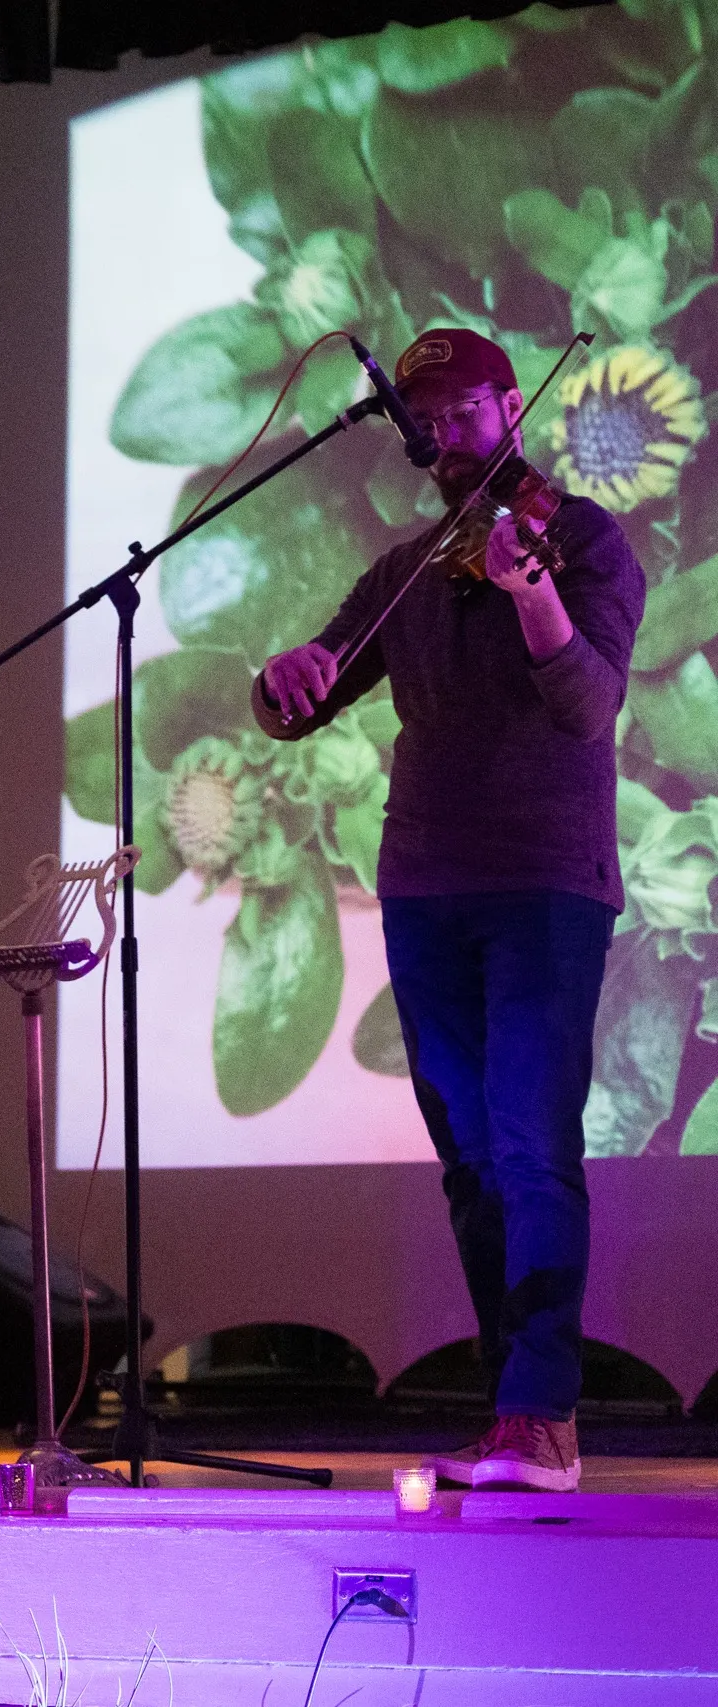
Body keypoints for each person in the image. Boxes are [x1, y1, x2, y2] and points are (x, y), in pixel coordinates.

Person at [258, 328, 643, 1493]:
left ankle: (543, 1417)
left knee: (530, 1149)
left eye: (462, 409)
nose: (441, 431)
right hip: (424, 885)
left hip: (541, 883)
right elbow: (304, 697)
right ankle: (507, 1409)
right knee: (470, 1161)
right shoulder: (410, 568)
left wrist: (531, 591)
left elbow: (585, 707)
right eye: (423, 415)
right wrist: (281, 683)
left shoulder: (578, 538)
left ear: (509, 405)